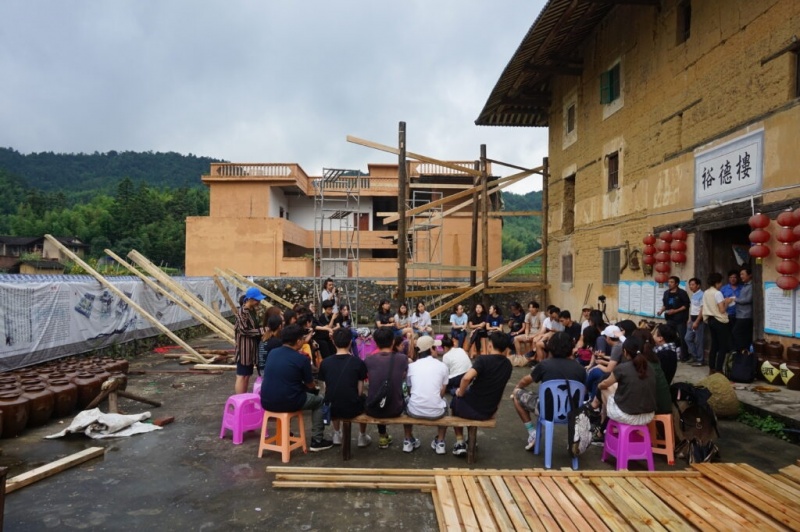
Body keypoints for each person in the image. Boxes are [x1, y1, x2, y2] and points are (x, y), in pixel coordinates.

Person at [261, 324, 333, 451]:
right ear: (299, 341)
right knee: (320, 400)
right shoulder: (301, 359)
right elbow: (310, 385)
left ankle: (285, 434)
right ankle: (317, 440)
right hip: (289, 402)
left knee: (286, 391)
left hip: (266, 401)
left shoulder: (273, 353)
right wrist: (314, 389)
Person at [511, 331, 586, 450]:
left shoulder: (545, 365)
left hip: (546, 410)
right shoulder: (580, 369)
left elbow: (527, 380)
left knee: (516, 395)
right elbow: (584, 392)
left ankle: (532, 432)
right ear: (571, 347)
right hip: (572, 412)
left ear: (551, 346)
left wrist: (517, 387)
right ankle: (574, 439)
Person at [448, 331, 513, 456]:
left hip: (474, 408)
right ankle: (471, 440)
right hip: (488, 410)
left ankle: (460, 442)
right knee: (464, 396)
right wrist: (495, 409)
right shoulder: (508, 365)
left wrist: (460, 392)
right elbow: (501, 388)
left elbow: (467, 378)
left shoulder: (483, 360)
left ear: (490, 345)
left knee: (455, 400)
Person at [319, 328, 371, 448]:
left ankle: (337, 434)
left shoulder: (325, 363)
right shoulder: (358, 363)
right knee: (363, 398)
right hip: (352, 408)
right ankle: (362, 436)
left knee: (332, 396)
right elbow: (359, 391)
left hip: (332, 409)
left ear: (333, 342)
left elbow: (327, 387)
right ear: (350, 342)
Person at [597, 336, 657, 426]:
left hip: (628, 416)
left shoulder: (622, 368)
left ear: (625, 352)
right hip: (649, 415)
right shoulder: (650, 367)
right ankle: (606, 425)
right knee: (615, 388)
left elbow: (605, 384)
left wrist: (599, 385)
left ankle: (604, 423)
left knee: (604, 389)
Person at [364, 327, 409, 449]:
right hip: (396, 408)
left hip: (374, 409)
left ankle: (382, 436)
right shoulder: (402, 359)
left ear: (376, 342)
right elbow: (403, 376)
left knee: (378, 393)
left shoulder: (368, 359)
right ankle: (409, 439)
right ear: (393, 341)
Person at [404, 335, 449, 454]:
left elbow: (410, 389)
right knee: (445, 403)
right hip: (436, 413)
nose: (437, 350)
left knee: (407, 401)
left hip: (414, 411)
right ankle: (440, 442)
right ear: (431, 349)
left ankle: (408, 440)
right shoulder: (442, 366)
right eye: (435, 347)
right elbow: (442, 393)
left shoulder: (411, 367)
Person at [234, 287, 267, 394]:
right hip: (244, 348)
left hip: (251, 348)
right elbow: (244, 330)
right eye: (257, 300)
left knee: (247, 375)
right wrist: (262, 330)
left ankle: (244, 396)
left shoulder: (252, 311)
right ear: (251, 299)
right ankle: (239, 398)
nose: (259, 302)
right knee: (242, 375)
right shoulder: (242, 312)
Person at [702, 272, 735, 374]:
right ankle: (719, 369)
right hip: (720, 320)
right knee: (723, 346)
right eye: (720, 282)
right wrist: (727, 303)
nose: (721, 284)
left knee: (714, 345)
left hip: (710, 320)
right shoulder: (717, 293)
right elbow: (722, 310)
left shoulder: (706, 292)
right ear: (717, 282)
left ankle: (711, 368)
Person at [657, 276, 690, 361]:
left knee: (682, 337)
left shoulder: (682, 293)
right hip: (670, 319)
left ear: (677, 284)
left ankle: (684, 356)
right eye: (669, 282)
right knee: (669, 336)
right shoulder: (666, 293)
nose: (669, 284)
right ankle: (670, 353)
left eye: (672, 282)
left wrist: (675, 311)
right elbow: (665, 304)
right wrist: (661, 311)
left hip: (680, 319)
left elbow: (686, 306)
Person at [685, 277, 706, 367]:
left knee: (698, 341)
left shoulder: (702, 294)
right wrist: (690, 319)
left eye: (693, 284)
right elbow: (693, 308)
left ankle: (700, 360)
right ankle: (695, 356)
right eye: (690, 284)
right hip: (692, 320)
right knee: (687, 338)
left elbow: (702, 309)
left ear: (698, 285)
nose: (691, 286)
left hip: (699, 321)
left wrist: (697, 321)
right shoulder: (693, 294)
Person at [732, 266, 753, 354]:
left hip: (746, 315)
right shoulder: (745, 286)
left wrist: (734, 299)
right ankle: (743, 351)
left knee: (736, 332)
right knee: (743, 334)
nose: (741, 276)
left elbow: (748, 300)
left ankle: (743, 350)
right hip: (740, 314)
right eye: (740, 274)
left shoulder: (751, 286)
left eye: (743, 274)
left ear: (750, 275)